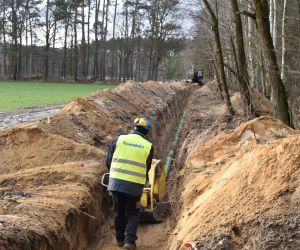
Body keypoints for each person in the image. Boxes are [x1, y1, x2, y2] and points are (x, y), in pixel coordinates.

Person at [106, 117, 154, 249]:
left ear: (133, 128)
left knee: (118, 211)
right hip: (134, 185)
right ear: (146, 132)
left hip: (115, 184)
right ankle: (129, 241)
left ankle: (120, 240)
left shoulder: (119, 140)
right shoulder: (148, 146)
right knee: (133, 212)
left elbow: (109, 162)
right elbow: (147, 167)